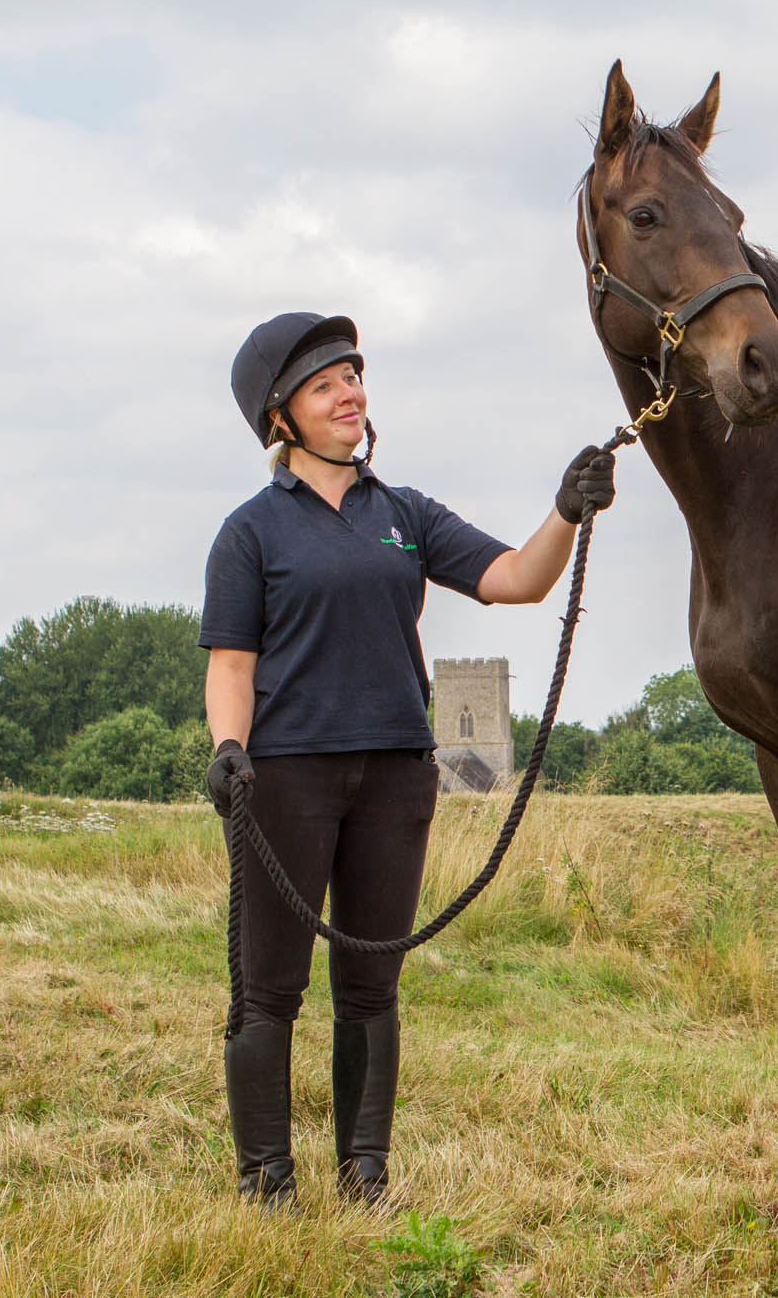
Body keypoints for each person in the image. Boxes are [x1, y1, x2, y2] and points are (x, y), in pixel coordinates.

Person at [200, 312, 614, 1208]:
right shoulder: (250, 533)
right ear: (282, 419)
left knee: (370, 982)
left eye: (353, 374)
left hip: (394, 777)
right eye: (325, 384)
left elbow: (516, 579)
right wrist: (227, 749)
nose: (350, 391)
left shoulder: (406, 514)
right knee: (268, 986)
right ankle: (266, 1179)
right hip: (287, 778)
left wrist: (565, 512)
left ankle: (365, 1172)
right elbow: (230, 664)